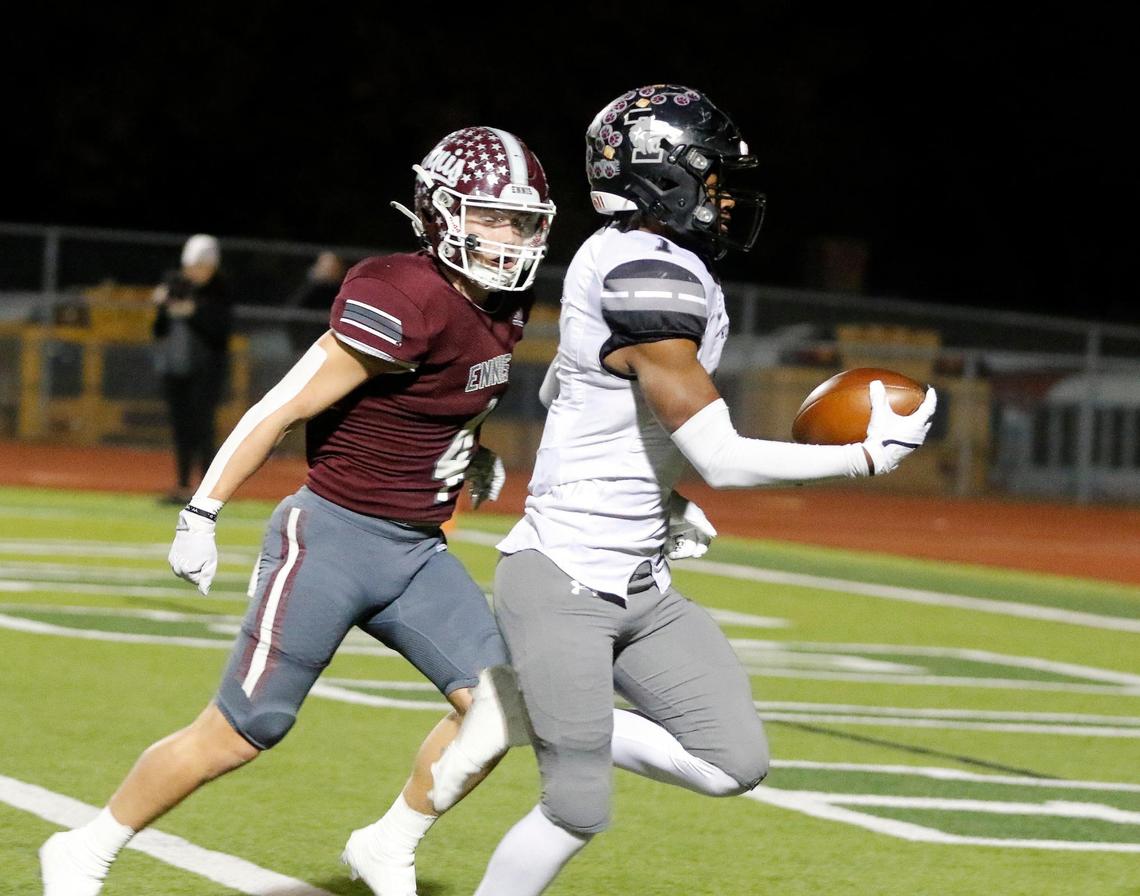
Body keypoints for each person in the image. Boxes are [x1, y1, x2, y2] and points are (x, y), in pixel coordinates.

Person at [38, 125, 558, 896]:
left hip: (415, 552)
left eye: (520, 221)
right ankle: (87, 846)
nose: (507, 237)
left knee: (499, 709)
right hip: (335, 537)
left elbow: (442, 395)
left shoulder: (508, 301)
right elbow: (279, 408)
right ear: (440, 212)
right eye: (488, 216)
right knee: (244, 731)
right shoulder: (403, 294)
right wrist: (203, 511)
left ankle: (388, 842)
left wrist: (467, 451)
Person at [462, 84, 939, 896]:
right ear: (662, 178)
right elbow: (719, 454)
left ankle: (529, 709)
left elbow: (571, 402)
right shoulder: (642, 272)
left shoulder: (651, 262)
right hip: (564, 580)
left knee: (733, 763)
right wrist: (862, 458)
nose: (724, 198)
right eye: (711, 178)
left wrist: (664, 495)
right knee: (576, 805)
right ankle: (550, 720)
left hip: (641, 583)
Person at [151, 233, 233, 503]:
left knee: (203, 428)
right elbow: (159, 329)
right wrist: (163, 306)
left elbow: (220, 332)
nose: (192, 273)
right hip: (176, 368)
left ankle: (208, 489)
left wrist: (192, 312)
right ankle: (183, 483)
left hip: (205, 370)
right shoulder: (178, 286)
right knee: (181, 428)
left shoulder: (220, 291)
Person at [284, 249, 348, 355]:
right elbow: (293, 311)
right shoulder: (308, 288)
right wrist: (314, 281)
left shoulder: (345, 288)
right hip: (309, 344)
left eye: (333, 265)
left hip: (337, 347)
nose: (329, 269)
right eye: (325, 265)